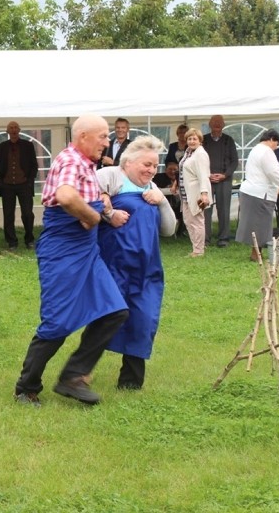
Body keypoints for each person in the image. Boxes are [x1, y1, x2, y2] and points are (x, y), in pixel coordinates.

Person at [14, 114, 129, 407]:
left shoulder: (86, 164)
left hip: (87, 252)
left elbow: (84, 193)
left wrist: (102, 203)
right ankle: (26, 388)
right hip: (62, 252)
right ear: (83, 137)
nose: (107, 141)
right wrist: (91, 215)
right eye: (103, 136)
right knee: (57, 323)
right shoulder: (70, 160)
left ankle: (73, 377)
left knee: (114, 310)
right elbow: (65, 196)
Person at [96, 136, 176, 390]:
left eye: (155, 165)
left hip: (147, 268)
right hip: (114, 265)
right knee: (107, 318)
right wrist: (108, 210)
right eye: (147, 164)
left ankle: (130, 383)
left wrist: (161, 200)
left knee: (144, 319)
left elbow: (169, 230)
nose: (152, 170)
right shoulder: (112, 175)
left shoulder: (152, 187)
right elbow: (86, 191)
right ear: (128, 162)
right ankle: (79, 373)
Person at [235, 130, 279, 261]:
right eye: (276, 144)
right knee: (260, 226)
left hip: (252, 190)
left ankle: (256, 253)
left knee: (255, 225)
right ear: (272, 139)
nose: (276, 147)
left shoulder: (255, 149)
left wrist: (276, 189)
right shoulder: (266, 151)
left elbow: (261, 174)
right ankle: (256, 254)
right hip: (259, 194)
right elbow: (273, 173)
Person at [0, 121, 38, 250]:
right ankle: (11, 241)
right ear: (7, 131)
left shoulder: (28, 145)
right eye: (11, 128)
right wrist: (0, 183)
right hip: (7, 186)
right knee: (8, 214)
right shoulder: (1, 147)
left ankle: (29, 239)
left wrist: (30, 181)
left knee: (27, 214)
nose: (13, 130)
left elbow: (34, 165)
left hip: (24, 185)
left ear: (19, 130)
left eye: (15, 128)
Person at [203, 114, 239, 247]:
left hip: (225, 180)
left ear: (223, 125)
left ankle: (223, 238)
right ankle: (205, 238)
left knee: (224, 209)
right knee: (206, 209)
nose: (217, 124)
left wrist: (225, 175)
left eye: (219, 122)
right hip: (207, 179)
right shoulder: (204, 140)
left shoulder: (229, 140)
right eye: (214, 122)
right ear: (210, 124)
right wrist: (207, 175)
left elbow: (235, 161)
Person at [178, 128, 212, 257]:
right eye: (189, 139)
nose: (191, 141)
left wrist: (204, 194)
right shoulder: (189, 153)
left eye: (194, 139)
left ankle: (199, 250)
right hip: (185, 193)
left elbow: (204, 175)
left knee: (197, 221)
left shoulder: (200, 154)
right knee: (188, 220)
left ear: (200, 140)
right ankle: (195, 248)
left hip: (196, 192)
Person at [152, 161, 183, 236]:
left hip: (178, 205)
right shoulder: (159, 177)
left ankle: (180, 232)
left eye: (175, 170)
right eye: (170, 169)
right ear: (165, 170)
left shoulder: (181, 178)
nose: (172, 172)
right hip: (163, 204)